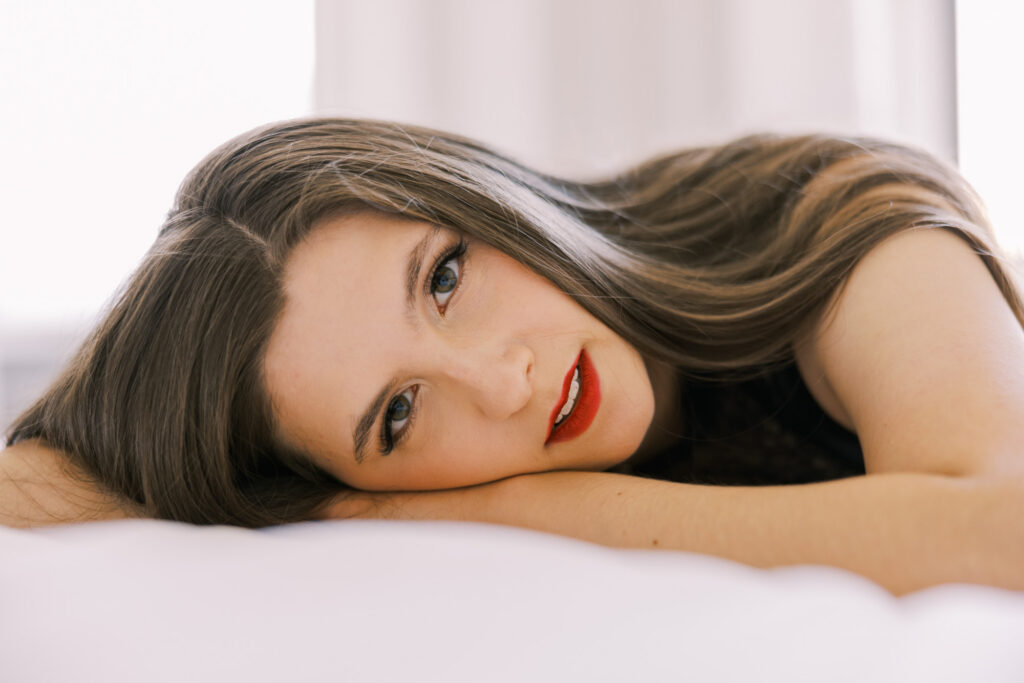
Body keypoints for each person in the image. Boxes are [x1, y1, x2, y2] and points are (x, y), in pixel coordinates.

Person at [3, 118, 1023, 595]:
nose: (500, 381)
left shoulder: (823, 215)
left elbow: (1001, 525)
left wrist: (519, 510)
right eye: (397, 414)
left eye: (445, 276)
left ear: (483, 194)